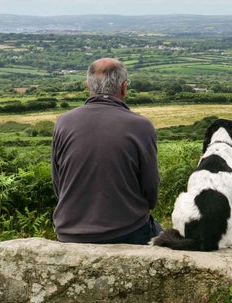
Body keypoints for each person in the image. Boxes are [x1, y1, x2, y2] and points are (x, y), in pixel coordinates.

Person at [51, 58, 161, 244]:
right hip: (127, 231)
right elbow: (150, 189)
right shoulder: (141, 126)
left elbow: (58, 183)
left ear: (88, 86)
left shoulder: (64, 122)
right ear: (124, 87)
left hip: (69, 232)